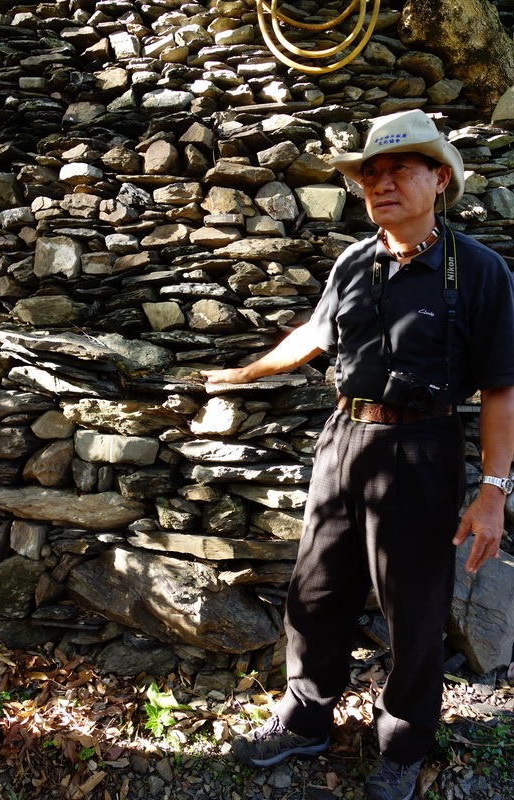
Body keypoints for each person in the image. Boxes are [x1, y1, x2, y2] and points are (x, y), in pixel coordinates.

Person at [202, 109, 514, 800]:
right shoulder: (353, 261)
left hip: (422, 448)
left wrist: (493, 490)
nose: (381, 183)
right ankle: (306, 717)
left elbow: (500, 388)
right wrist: (241, 374)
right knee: (315, 591)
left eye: (399, 168)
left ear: (439, 178)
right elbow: (314, 336)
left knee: (415, 610)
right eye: (371, 172)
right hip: (342, 441)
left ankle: (403, 744)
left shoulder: (481, 272)